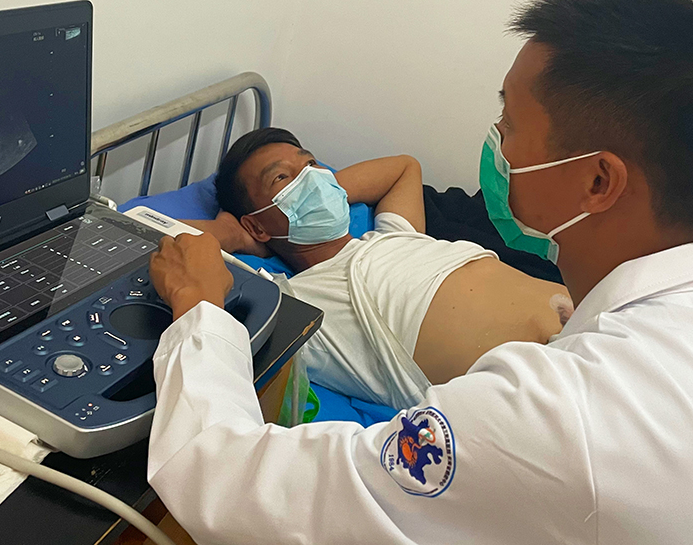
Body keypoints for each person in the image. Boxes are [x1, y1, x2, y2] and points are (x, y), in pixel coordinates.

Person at [145, 0, 693, 545]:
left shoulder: (549, 418)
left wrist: (202, 312)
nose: (496, 145)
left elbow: (224, 484)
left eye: (509, 123)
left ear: (597, 182)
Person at [187, 129, 572, 409]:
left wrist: (324, 189)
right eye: (283, 177)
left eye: (311, 165)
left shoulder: (393, 234)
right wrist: (231, 234)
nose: (312, 178)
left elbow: (404, 168)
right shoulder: (297, 305)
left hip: (589, 322)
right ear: (255, 223)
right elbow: (169, 243)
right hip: (550, 389)